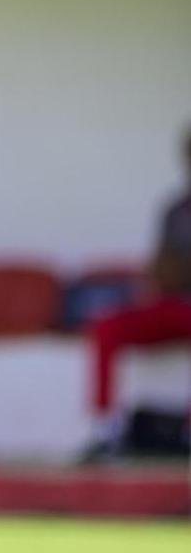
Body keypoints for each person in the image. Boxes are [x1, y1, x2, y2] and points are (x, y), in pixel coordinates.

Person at [85, 127, 191, 458]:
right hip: (171, 304)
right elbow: (160, 269)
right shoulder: (175, 210)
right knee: (105, 326)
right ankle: (107, 430)